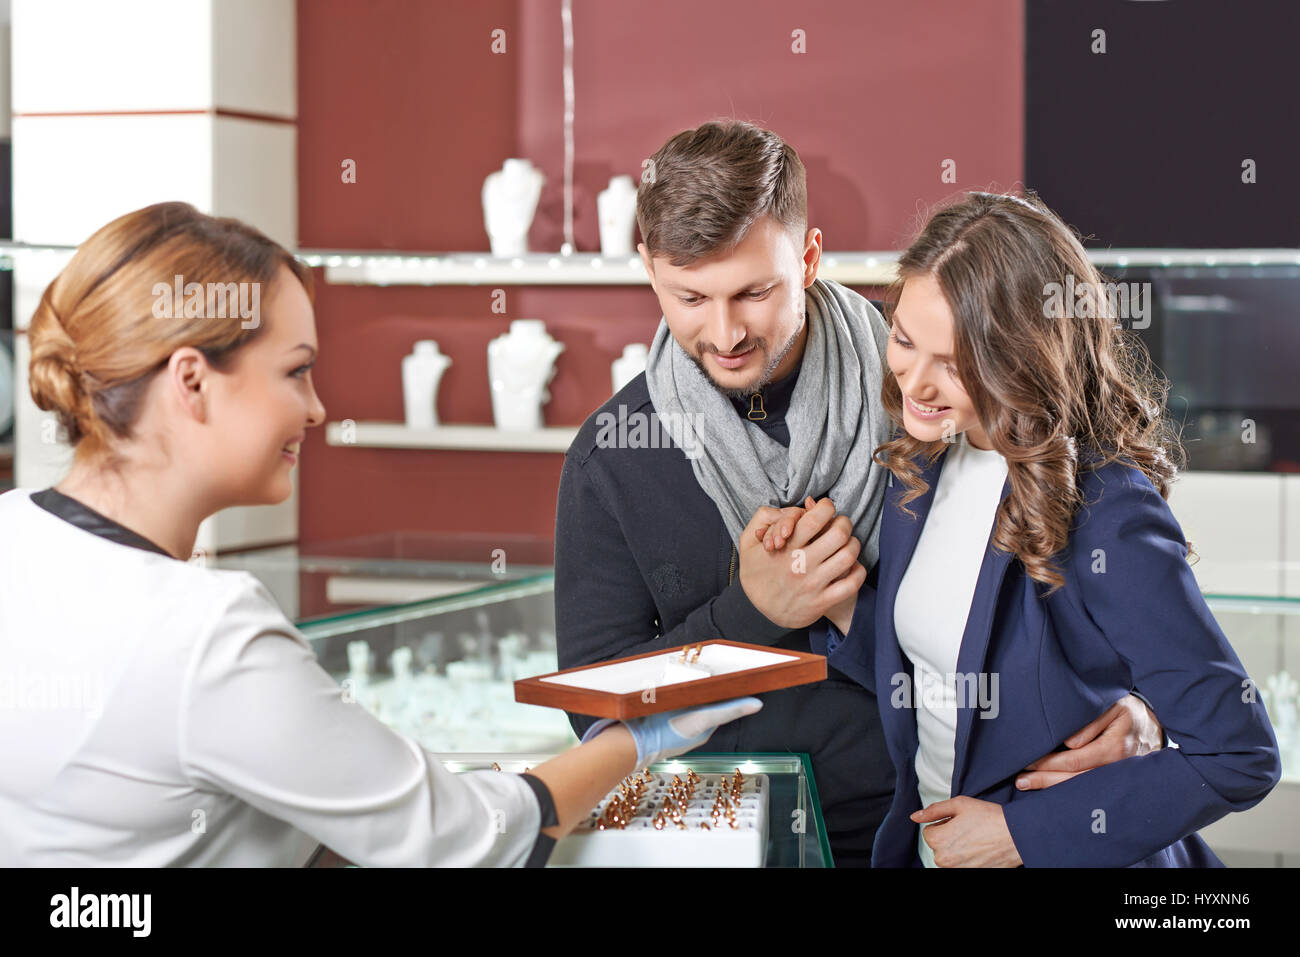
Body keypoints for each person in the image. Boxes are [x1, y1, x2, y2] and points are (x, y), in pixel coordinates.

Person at [0, 201, 760, 867]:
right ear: (192, 382)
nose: (317, 409)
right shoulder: (205, 636)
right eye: (295, 372)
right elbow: (460, 842)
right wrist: (638, 740)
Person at [553, 120, 1165, 866]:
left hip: (949, 825)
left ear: (809, 257)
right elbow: (592, 706)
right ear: (648, 267)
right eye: (690, 296)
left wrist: (1140, 706)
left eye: (752, 291)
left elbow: (1088, 575)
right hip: (727, 837)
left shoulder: (931, 387)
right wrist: (750, 613)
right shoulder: (613, 456)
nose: (725, 332)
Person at [760, 191, 1282, 866]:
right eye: (906, 341)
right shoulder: (924, 457)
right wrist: (839, 605)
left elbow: (1241, 754)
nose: (915, 384)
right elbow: (944, 672)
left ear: (1021, 358)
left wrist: (1018, 835)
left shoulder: (1106, 507)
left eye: (952, 362)